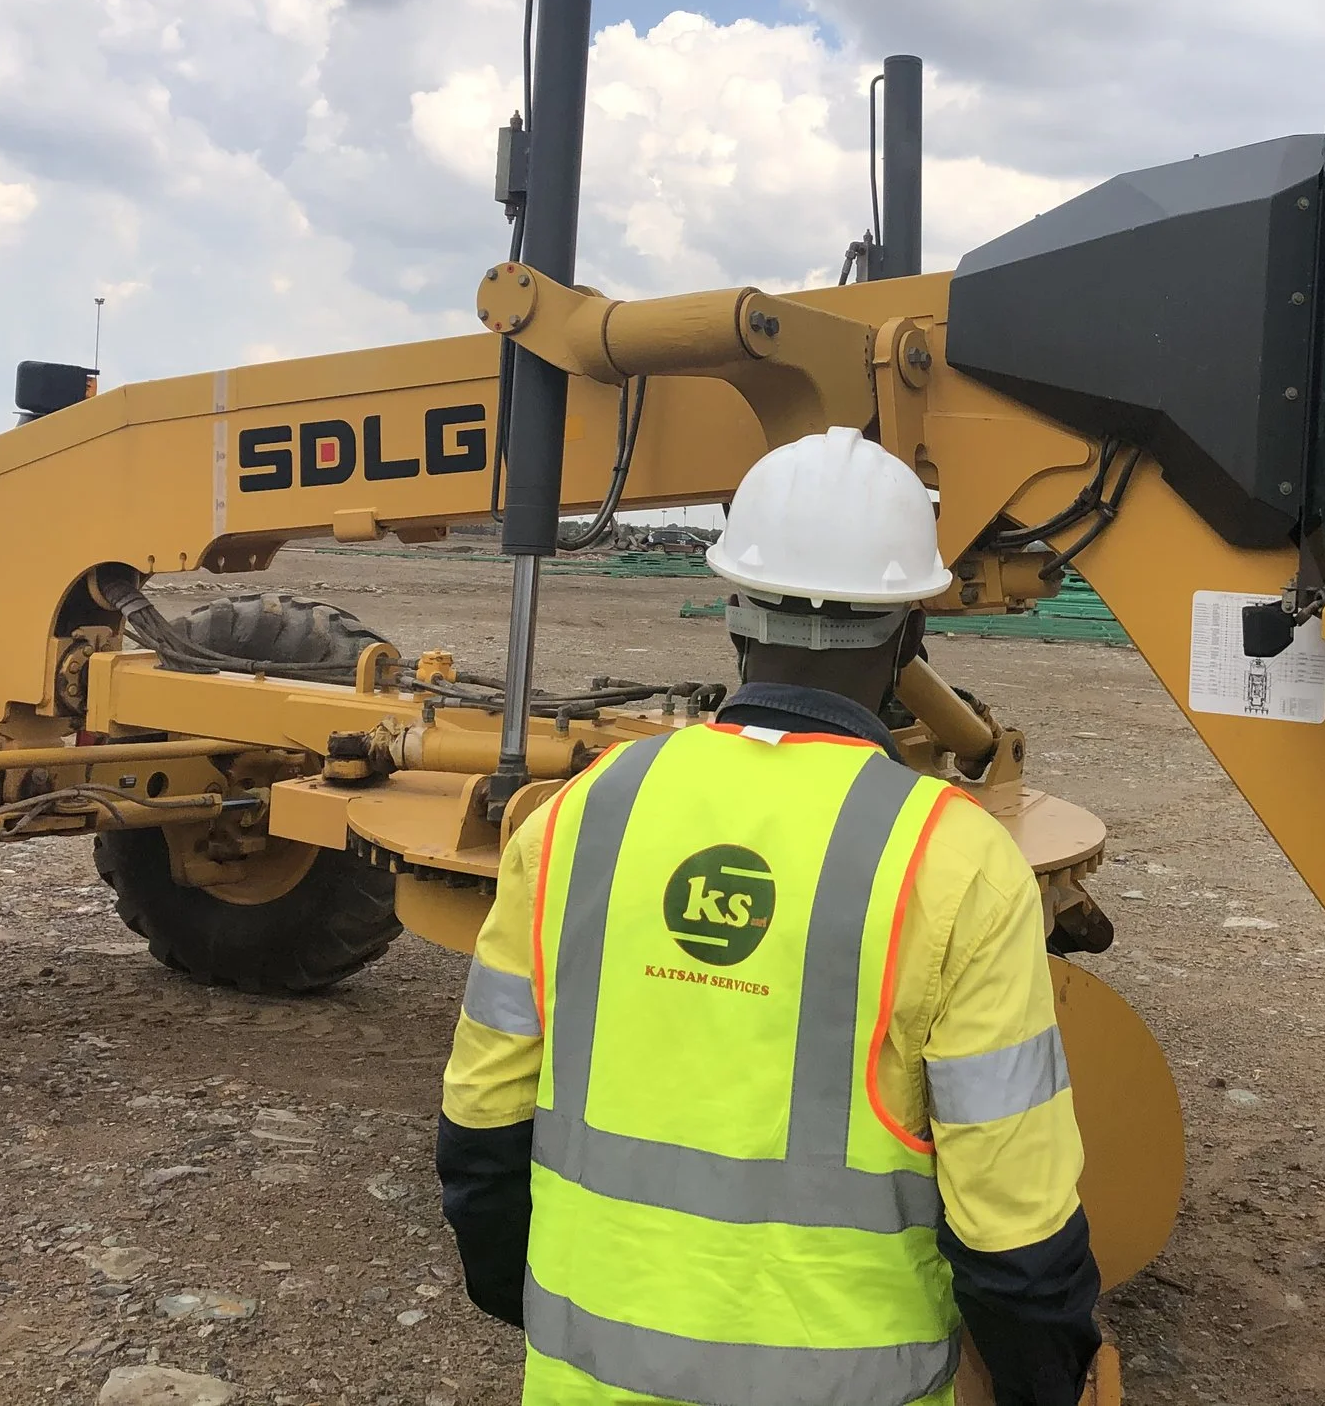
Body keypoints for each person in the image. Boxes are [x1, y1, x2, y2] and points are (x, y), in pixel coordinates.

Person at [435, 425, 1103, 1406]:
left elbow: (481, 1126)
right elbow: (1014, 1227)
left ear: (734, 618)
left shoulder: (581, 815)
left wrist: (530, 1300)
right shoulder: (951, 860)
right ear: (909, 634)